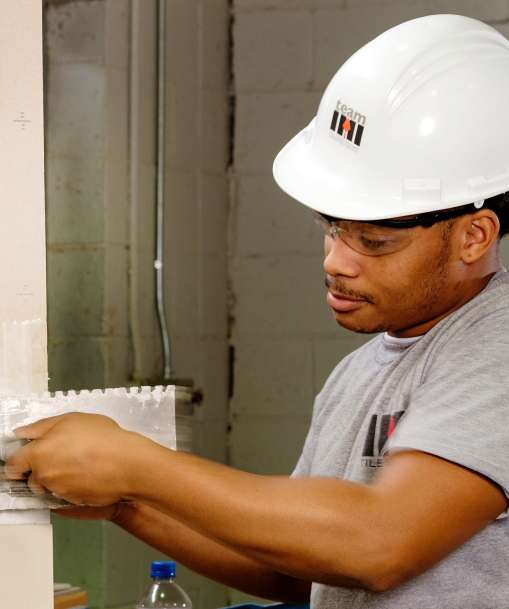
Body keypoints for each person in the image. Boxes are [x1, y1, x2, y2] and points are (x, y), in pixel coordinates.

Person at [7, 13, 509, 609]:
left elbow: (377, 544)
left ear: (475, 236)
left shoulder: (495, 350)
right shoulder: (361, 374)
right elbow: (300, 571)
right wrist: (125, 502)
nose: (336, 262)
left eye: (373, 242)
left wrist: (138, 465)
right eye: (331, 229)